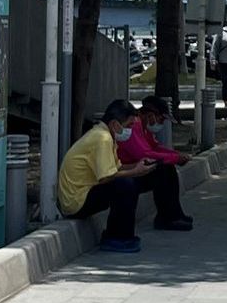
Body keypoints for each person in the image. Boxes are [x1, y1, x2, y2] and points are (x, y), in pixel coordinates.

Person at [57, 99, 191, 252]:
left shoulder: (107, 135)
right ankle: (117, 238)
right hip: (77, 201)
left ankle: (170, 217)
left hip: (88, 191)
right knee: (125, 185)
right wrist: (136, 171)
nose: (130, 130)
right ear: (115, 124)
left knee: (159, 170)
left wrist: (140, 165)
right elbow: (106, 177)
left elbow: (117, 167)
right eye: (128, 126)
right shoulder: (102, 138)